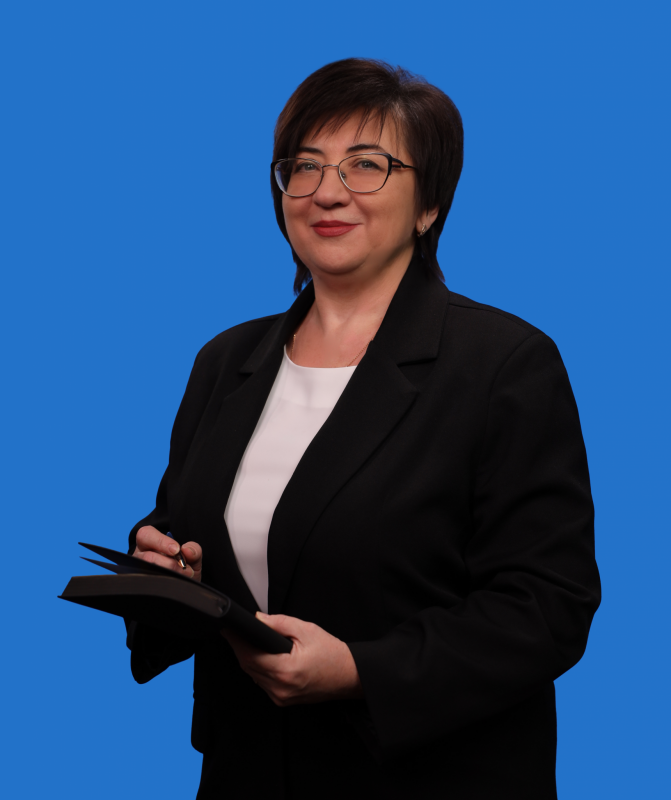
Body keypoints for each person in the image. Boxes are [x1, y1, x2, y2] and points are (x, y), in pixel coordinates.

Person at [126, 58, 600, 799]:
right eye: (304, 166)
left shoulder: (504, 363)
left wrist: (360, 671)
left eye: (366, 165)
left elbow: (548, 606)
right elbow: (192, 525)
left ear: (428, 204)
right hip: (247, 771)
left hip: (430, 780)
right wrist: (164, 567)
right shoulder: (225, 360)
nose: (327, 191)